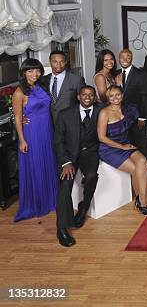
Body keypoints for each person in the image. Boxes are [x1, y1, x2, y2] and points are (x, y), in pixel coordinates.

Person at [12, 59, 58, 222]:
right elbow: (17, 118)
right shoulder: (19, 92)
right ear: (24, 72)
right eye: (30, 71)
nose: (35, 74)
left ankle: (51, 199)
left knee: (49, 163)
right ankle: (38, 202)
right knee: (36, 165)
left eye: (37, 70)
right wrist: (22, 140)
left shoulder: (42, 85)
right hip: (32, 133)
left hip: (47, 130)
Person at [53, 85, 101, 247]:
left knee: (92, 176)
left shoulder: (102, 110)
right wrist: (66, 162)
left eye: (91, 95)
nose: (87, 97)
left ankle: (83, 208)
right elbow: (58, 141)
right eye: (84, 94)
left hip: (90, 153)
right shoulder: (65, 114)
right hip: (70, 155)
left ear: (95, 98)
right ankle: (62, 228)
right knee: (65, 185)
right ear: (78, 97)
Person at [97, 85, 147, 215]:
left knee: (143, 161)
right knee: (134, 169)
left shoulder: (128, 109)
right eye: (111, 96)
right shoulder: (104, 113)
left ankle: (141, 200)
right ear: (107, 98)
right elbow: (101, 137)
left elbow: (138, 118)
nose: (115, 98)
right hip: (109, 148)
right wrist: (122, 147)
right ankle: (142, 203)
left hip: (125, 143)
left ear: (122, 95)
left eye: (118, 94)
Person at [116, 49, 147, 162]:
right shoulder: (115, 74)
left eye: (128, 57)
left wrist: (142, 117)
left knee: (140, 142)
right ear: (119, 58)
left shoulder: (141, 74)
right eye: (122, 57)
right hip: (120, 116)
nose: (125, 59)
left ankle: (145, 169)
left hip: (137, 116)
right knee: (125, 142)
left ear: (132, 58)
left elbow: (145, 96)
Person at [43, 50, 85, 125]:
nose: (58, 64)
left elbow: (84, 103)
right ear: (50, 62)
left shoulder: (77, 80)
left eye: (61, 61)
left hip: (70, 123)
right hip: (48, 124)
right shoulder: (43, 80)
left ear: (66, 62)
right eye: (55, 61)